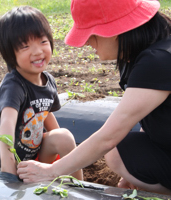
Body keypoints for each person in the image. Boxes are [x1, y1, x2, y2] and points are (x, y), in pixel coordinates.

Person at [17, 0, 171, 195]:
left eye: (90, 35)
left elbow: (108, 137)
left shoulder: (157, 61)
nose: (86, 43)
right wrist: (137, 173)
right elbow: (153, 115)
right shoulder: (153, 49)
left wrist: (51, 171)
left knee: (114, 149)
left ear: (113, 30)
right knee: (123, 151)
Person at [0, 5, 83, 180]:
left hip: (38, 158)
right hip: (17, 164)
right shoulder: (14, 85)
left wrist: (65, 147)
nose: (37, 51)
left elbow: (44, 113)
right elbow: (6, 127)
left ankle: (78, 188)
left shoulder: (47, 80)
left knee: (63, 136)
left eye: (42, 41)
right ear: (10, 54)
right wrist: (8, 176)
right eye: (25, 46)